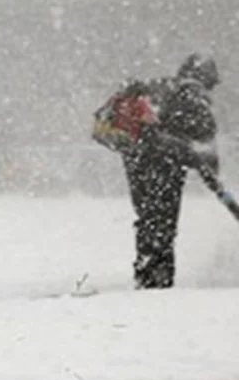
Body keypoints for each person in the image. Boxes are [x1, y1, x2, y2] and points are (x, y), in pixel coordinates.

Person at [92, 53, 219, 289]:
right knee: (164, 221)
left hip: (136, 160)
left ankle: (147, 271)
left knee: (147, 217)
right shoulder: (190, 96)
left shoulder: (158, 89)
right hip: (164, 166)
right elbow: (203, 132)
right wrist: (202, 161)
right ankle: (158, 277)